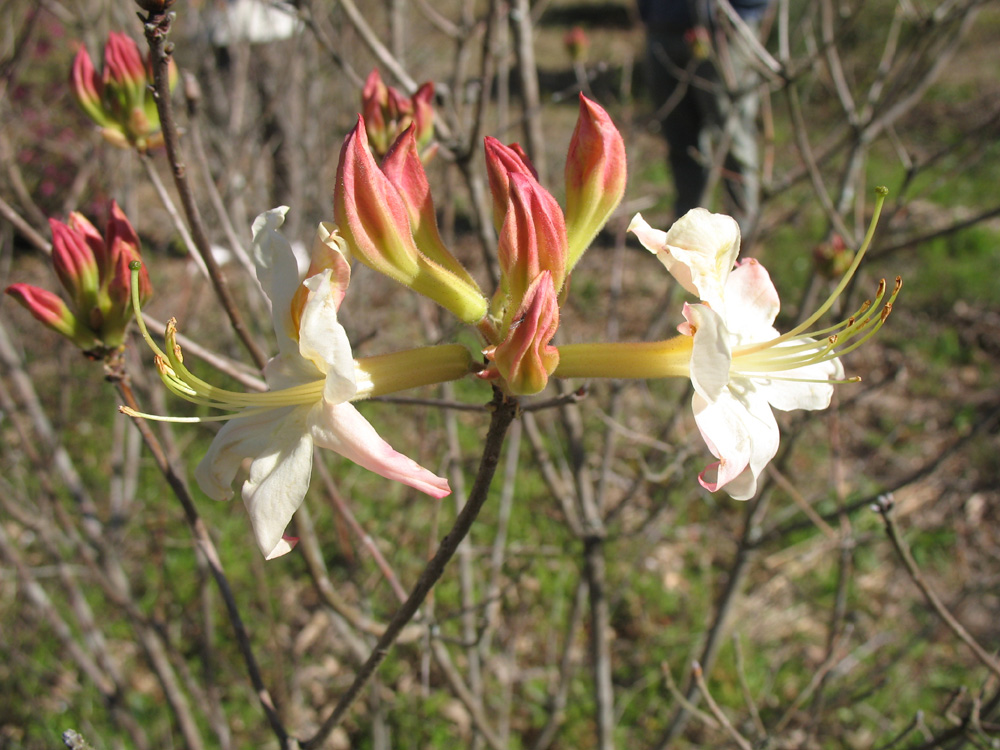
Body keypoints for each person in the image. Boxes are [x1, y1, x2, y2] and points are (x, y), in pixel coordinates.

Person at [639, 0, 771, 236]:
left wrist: (722, 11)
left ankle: (742, 240)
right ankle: (686, 236)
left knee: (734, 141)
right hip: (663, 26)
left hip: (725, 31)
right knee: (680, 141)